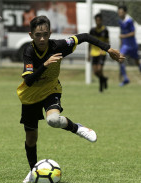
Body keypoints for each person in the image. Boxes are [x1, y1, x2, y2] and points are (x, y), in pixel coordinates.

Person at [17, 16, 124, 183]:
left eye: (45, 34)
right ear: (31, 35)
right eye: (38, 35)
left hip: (51, 90)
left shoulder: (58, 46)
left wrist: (108, 49)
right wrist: (45, 64)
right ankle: (33, 172)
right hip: (30, 95)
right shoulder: (28, 51)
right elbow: (28, 81)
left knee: (52, 120)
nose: (42, 38)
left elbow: (84, 37)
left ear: (50, 33)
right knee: (31, 138)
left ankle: (78, 128)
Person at [118, 5, 141, 86]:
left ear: (125, 12)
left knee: (137, 62)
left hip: (132, 45)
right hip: (125, 45)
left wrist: (123, 36)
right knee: (120, 59)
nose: (120, 14)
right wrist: (121, 42)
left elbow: (133, 33)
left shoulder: (129, 21)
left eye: (121, 12)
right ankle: (126, 79)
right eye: (119, 12)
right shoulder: (120, 21)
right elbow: (121, 32)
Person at [89, 13, 109, 92]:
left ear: (101, 21)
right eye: (96, 20)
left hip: (102, 52)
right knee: (95, 72)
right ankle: (104, 79)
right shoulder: (92, 30)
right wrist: (88, 54)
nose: (98, 22)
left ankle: (101, 88)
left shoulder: (105, 30)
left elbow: (107, 42)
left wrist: (105, 49)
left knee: (100, 69)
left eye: (99, 20)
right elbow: (89, 42)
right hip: (94, 52)